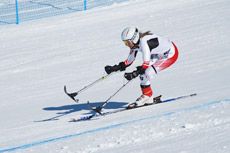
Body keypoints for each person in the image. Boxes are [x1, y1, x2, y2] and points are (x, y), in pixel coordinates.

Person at [105, 27, 179, 108]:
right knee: (144, 74)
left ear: (134, 39)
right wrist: (114, 68)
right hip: (157, 54)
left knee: (147, 73)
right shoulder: (135, 44)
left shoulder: (144, 43)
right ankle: (148, 96)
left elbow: (145, 64)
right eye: (125, 43)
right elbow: (129, 61)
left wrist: (134, 74)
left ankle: (147, 97)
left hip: (170, 54)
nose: (127, 45)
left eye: (128, 43)